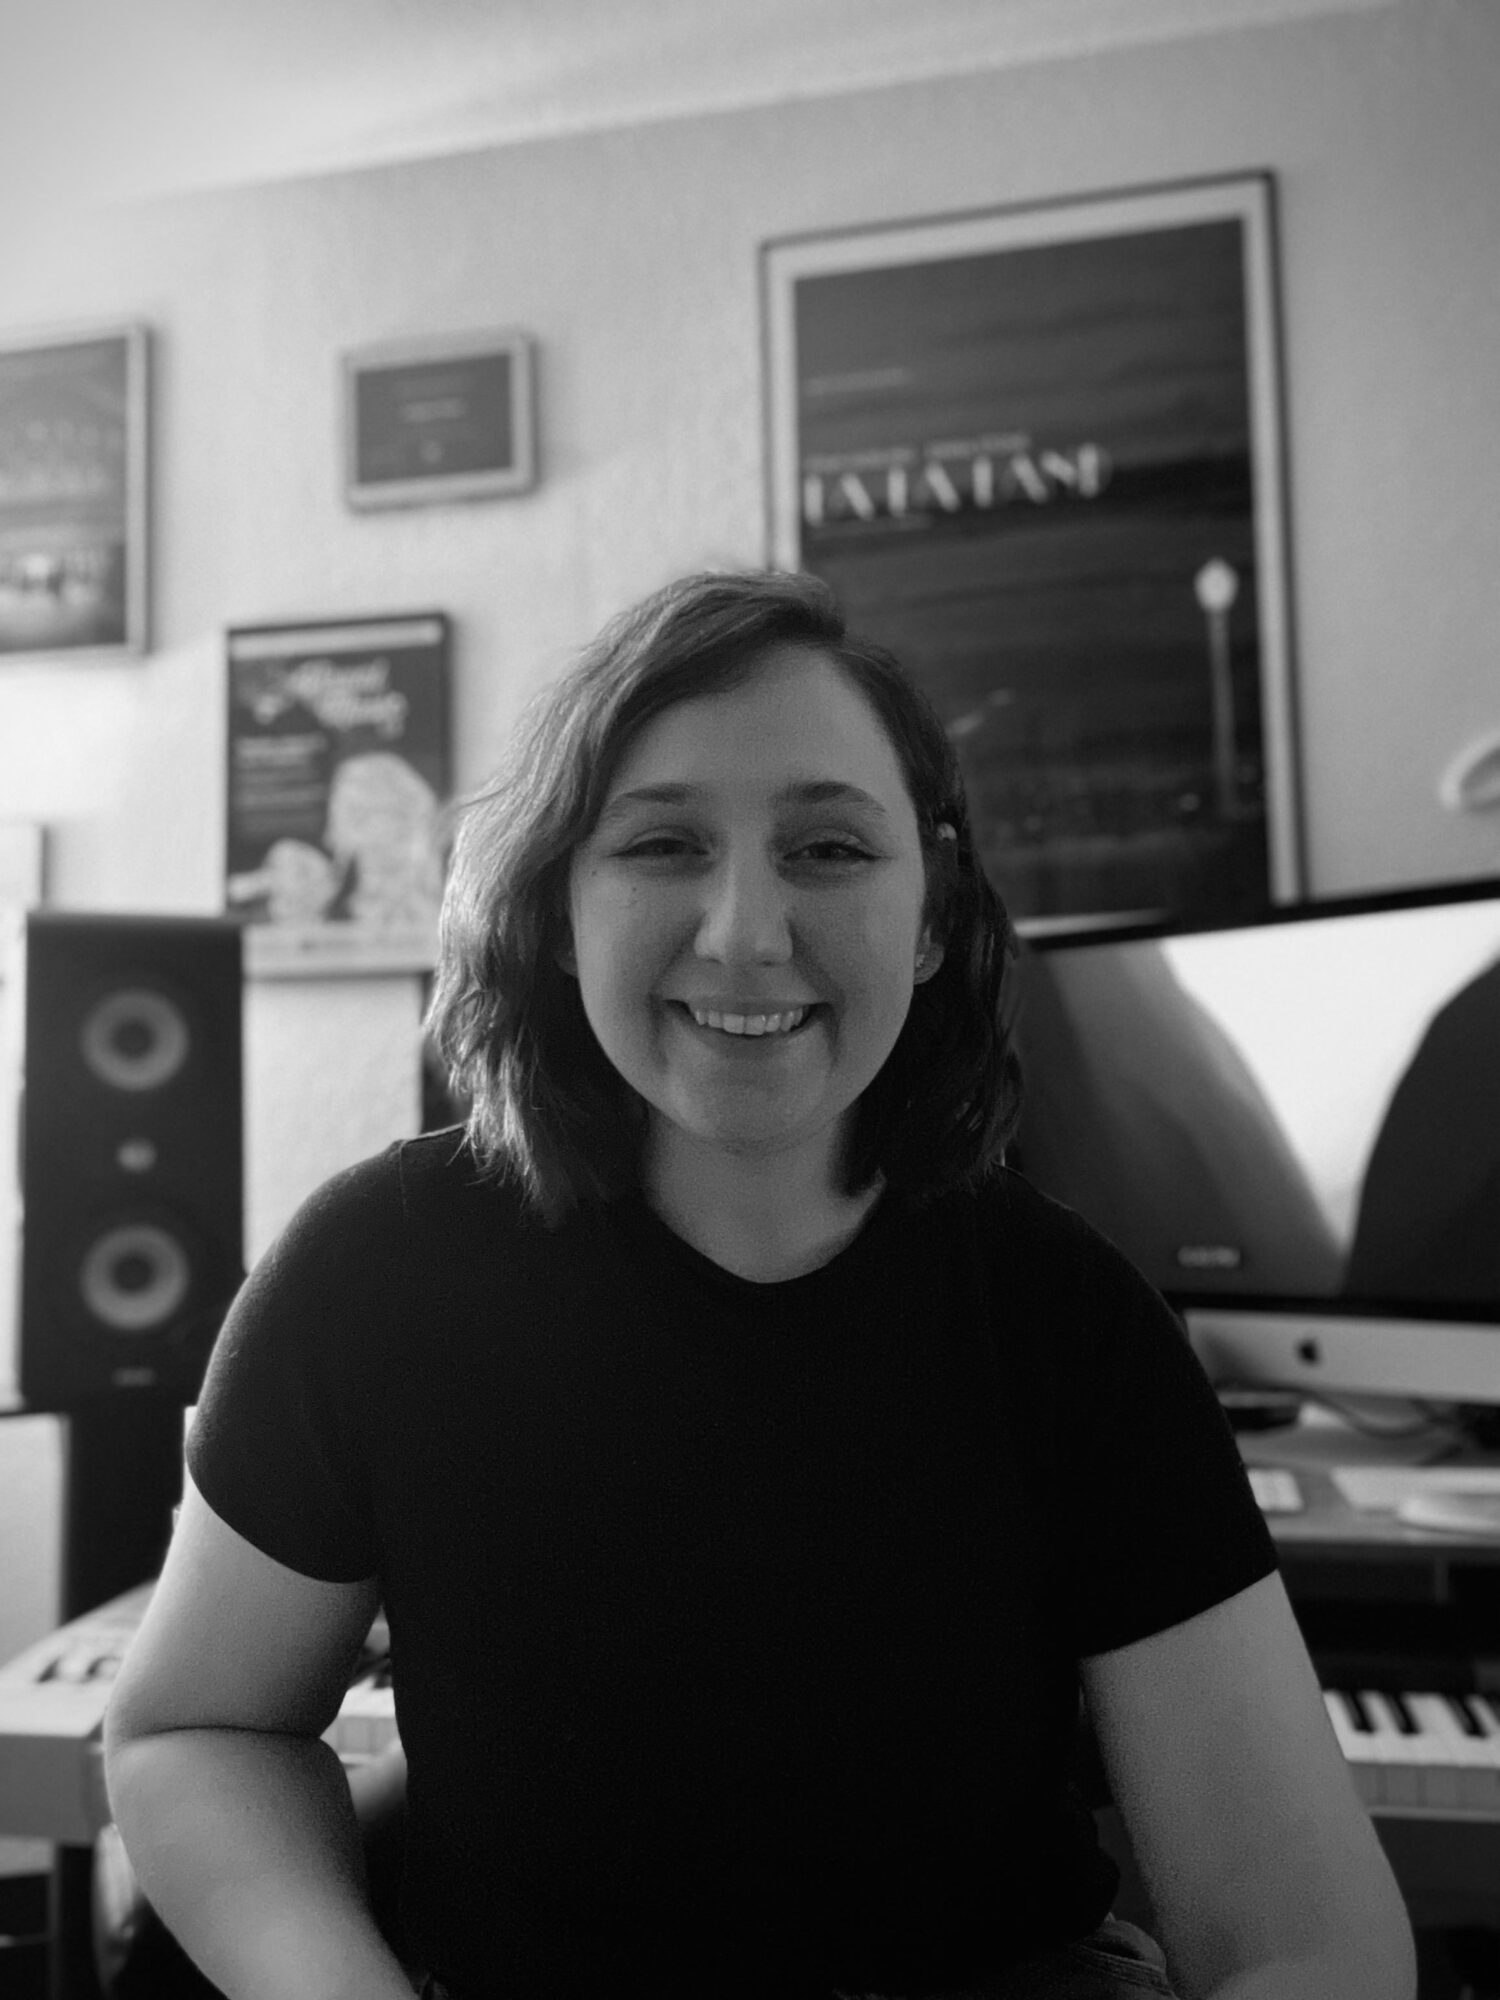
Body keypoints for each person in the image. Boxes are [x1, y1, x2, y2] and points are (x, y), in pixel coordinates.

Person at [103, 569, 1415, 2000]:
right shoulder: (376, 1272)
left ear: (931, 913)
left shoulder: (1074, 1322)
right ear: (560, 909)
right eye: (663, 843)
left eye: (829, 848)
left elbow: (1311, 1942)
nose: (743, 931)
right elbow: (200, 1728)